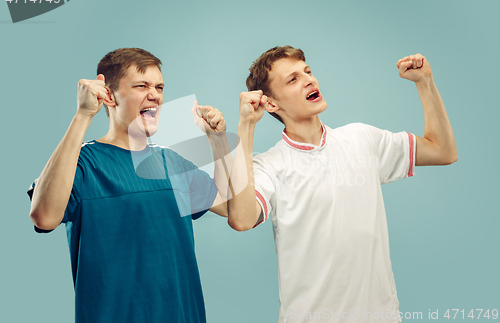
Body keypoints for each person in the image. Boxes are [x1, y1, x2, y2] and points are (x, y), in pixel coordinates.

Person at [227, 46, 457, 323]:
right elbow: (241, 219)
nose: (309, 80)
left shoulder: (361, 138)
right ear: (272, 104)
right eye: (293, 79)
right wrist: (246, 126)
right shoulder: (269, 166)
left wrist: (425, 82)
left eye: (308, 72)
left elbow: (443, 151)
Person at [28, 48, 231, 323]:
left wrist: (218, 141)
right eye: (142, 86)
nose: (155, 94)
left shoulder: (172, 162)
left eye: (159, 86)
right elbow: (44, 217)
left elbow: (233, 207)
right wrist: (83, 116)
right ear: (109, 95)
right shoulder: (82, 164)